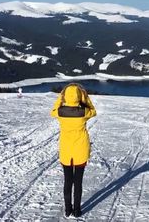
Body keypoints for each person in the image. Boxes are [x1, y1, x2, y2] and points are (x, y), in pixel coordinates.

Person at [50, 83, 96, 218]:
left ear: (65, 96)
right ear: (79, 96)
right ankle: (77, 210)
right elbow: (94, 110)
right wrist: (85, 97)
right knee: (78, 182)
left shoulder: (60, 112)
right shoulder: (84, 112)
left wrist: (60, 97)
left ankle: (67, 210)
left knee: (67, 181)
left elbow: (53, 110)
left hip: (66, 151)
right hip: (80, 150)